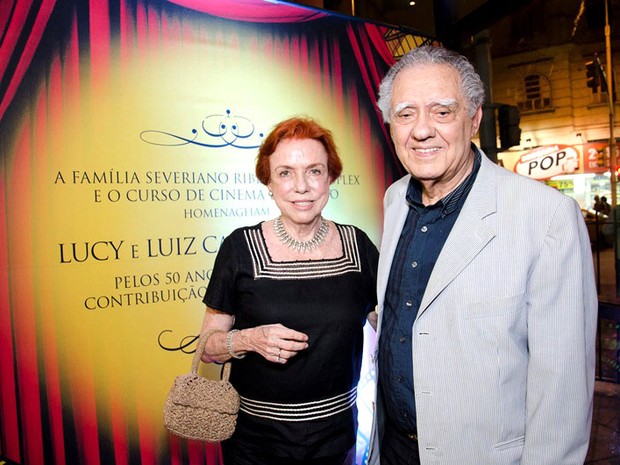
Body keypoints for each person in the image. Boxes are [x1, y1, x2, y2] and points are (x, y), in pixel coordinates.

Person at [368, 45, 598, 465]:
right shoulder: (395, 199)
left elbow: (562, 391)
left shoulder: (546, 217)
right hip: (395, 451)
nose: (421, 130)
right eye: (405, 114)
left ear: (473, 118)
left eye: (441, 112)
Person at [198, 116, 379, 465]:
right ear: (268, 181)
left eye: (314, 171)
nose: (301, 186)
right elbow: (207, 347)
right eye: (285, 173)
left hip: (336, 439)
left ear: (330, 177)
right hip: (255, 443)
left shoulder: (358, 247)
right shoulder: (240, 247)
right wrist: (249, 340)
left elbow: (391, 328)